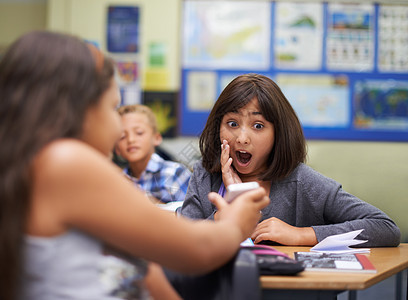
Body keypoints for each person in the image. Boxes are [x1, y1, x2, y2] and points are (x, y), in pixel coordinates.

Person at [0, 31, 269, 300]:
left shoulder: (36, 164)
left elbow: (146, 268)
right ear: (78, 110)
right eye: (112, 107)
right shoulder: (65, 161)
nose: (119, 128)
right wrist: (235, 224)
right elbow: (195, 250)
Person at [179, 73, 401, 248]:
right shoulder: (205, 176)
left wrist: (302, 234)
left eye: (258, 126)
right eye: (232, 123)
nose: (242, 138)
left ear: (278, 133)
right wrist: (223, 216)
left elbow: (385, 227)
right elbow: (178, 243)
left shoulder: (301, 180)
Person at [114, 104, 191, 210]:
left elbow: (193, 215)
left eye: (139, 133)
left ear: (157, 138)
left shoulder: (174, 173)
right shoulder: (117, 181)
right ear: (116, 148)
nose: (131, 139)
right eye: (122, 136)